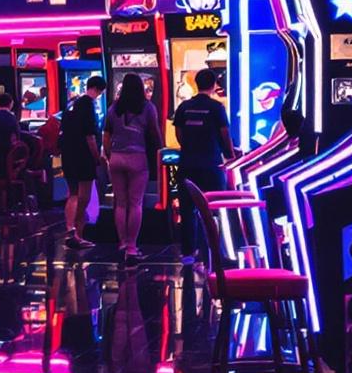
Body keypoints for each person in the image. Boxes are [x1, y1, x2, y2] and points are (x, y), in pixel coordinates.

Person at [170, 70, 235, 257]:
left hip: (187, 164)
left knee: (188, 209)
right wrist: (229, 155)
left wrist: (190, 146)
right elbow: (225, 134)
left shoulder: (184, 107)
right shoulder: (217, 108)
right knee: (216, 209)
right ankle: (217, 251)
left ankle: (189, 253)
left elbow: (179, 134)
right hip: (212, 165)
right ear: (214, 84)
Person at [104, 74, 164, 253]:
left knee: (120, 203)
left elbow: (106, 134)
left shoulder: (114, 108)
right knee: (135, 203)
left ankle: (121, 241)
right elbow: (154, 132)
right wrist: (161, 151)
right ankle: (131, 245)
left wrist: (109, 155)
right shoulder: (147, 107)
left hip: (116, 156)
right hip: (138, 157)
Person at [59, 75, 105, 249]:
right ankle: (77, 233)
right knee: (83, 195)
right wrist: (97, 157)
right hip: (83, 156)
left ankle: (70, 229)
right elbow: (90, 136)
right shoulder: (88, 105)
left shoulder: (72, 104)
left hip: (68, 154)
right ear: (99, 90)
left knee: (72, 194)